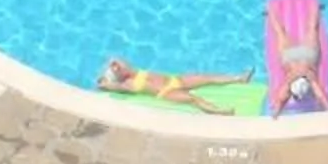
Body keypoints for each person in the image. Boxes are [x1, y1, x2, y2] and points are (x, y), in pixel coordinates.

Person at [94, 59, 255, 114]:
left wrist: (111, 66)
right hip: (166, 92)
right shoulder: (126, 85)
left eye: (117, 67)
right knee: (193, 99)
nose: (119, 68)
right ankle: (220, 112)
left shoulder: (131, 70)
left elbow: (115, 58)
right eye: (116, 70)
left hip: (174, 80)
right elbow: (104, 86)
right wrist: (107, 81)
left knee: (205, 78)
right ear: (117, 77)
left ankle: (240, 78)